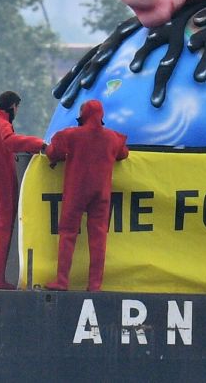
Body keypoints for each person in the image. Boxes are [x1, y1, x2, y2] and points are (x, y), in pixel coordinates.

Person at [44, 100, 129, 292]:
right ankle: (95, 285)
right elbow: (123, 153)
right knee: (98, 237)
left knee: (67, 233)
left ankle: (62, 281)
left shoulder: (72, 135)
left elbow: (52, 151)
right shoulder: (111, 137)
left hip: (76, 190)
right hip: (101, 192)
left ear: (83, 115)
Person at [0, 91, 45, 289]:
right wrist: (39, 144)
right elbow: (11, 141)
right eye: (17, 107)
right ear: (13, 106)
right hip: (3, 177)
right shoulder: (3, 125)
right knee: (4, 228)